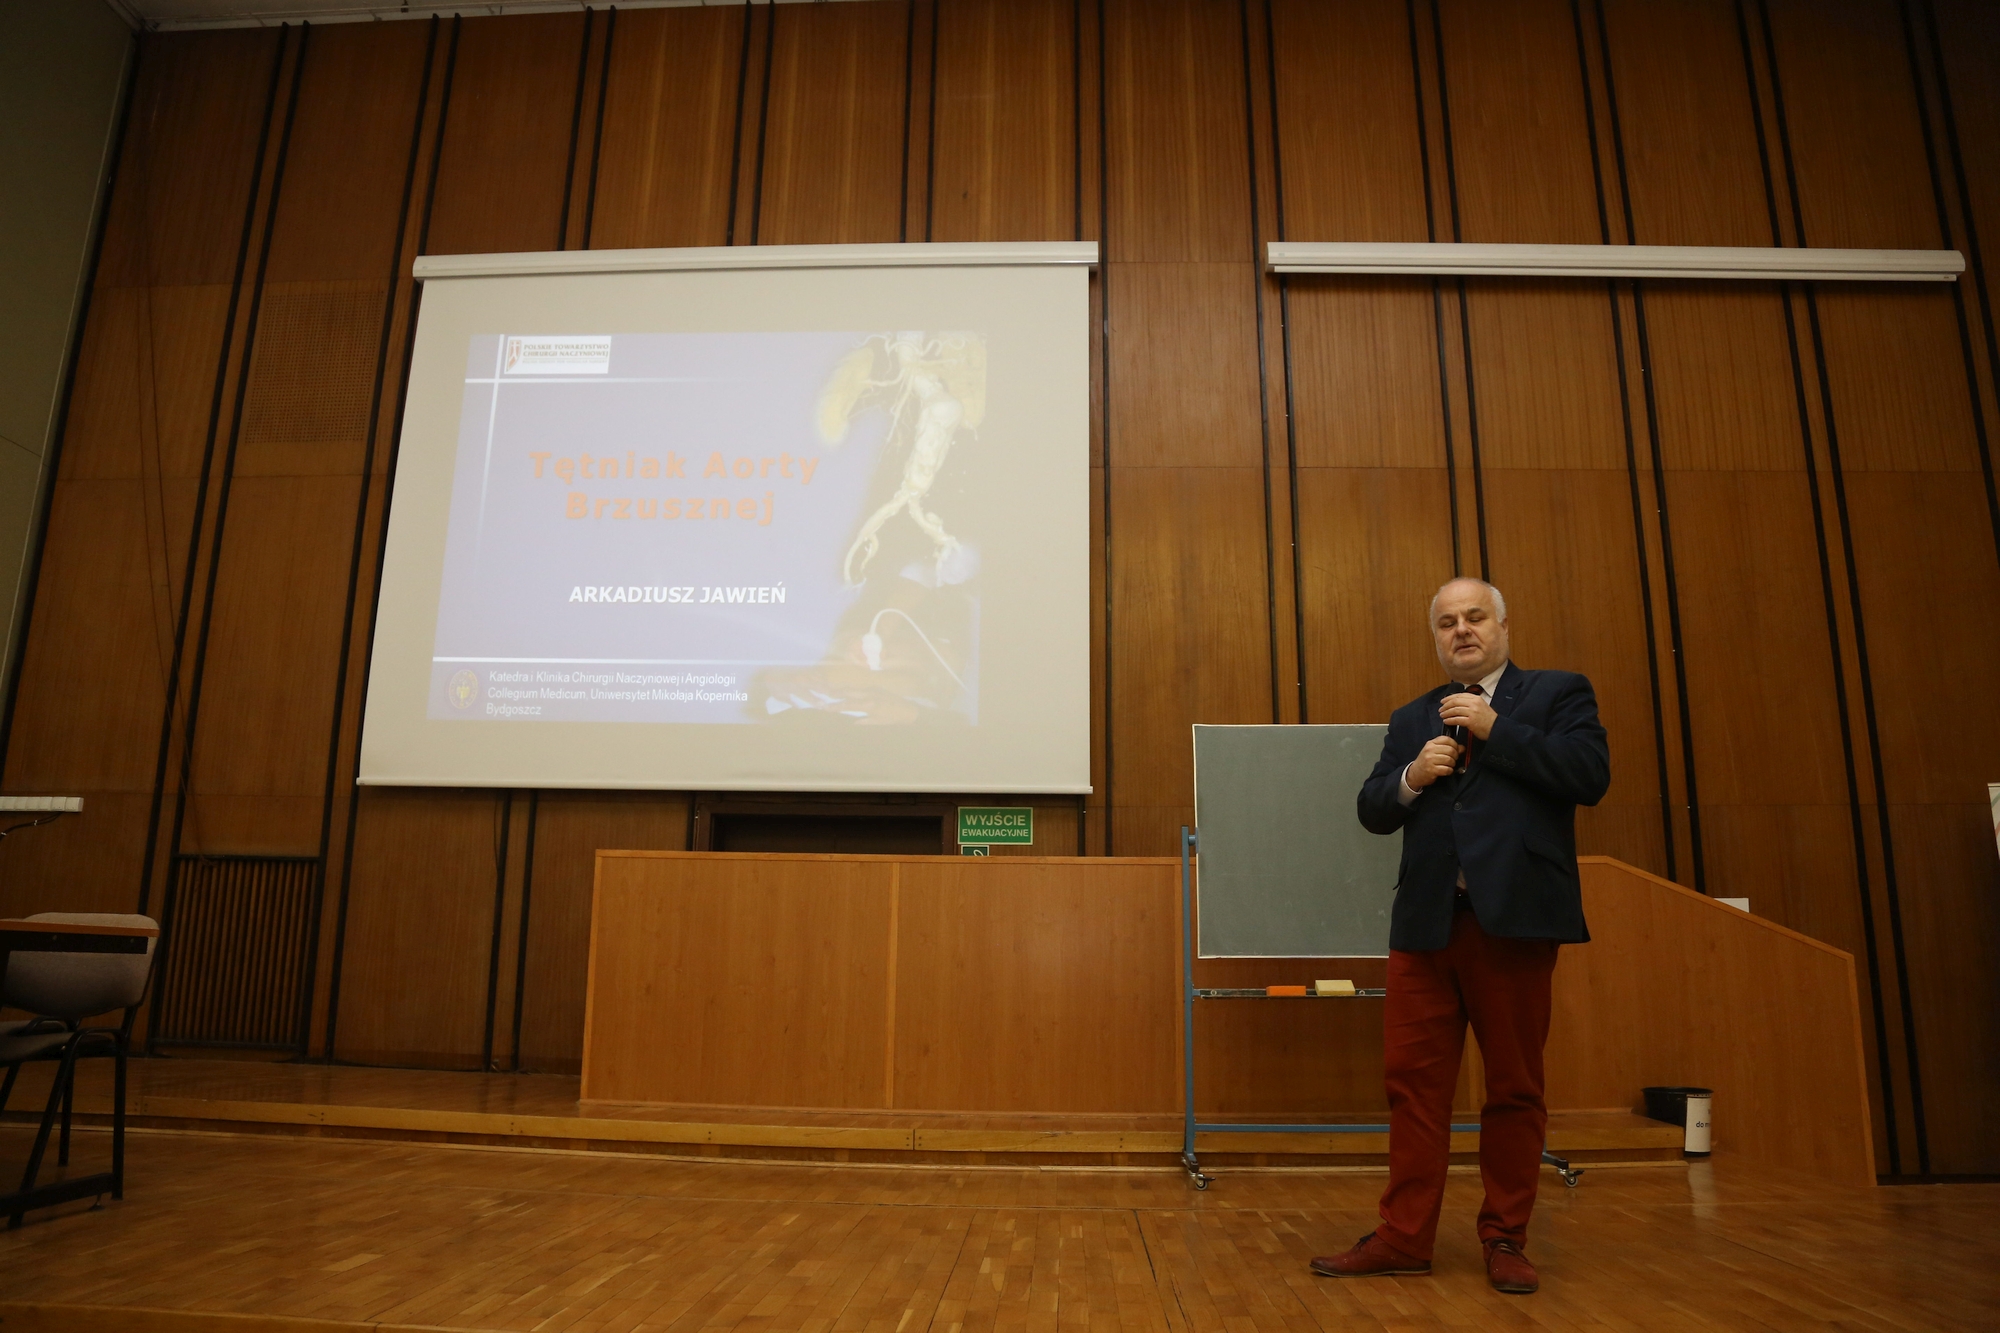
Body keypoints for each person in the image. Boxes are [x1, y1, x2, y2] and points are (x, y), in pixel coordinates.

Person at [1311, 577, 1609, 1296]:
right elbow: (1373, 808)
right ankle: (1403, 1237)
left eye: (1475, 617)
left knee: (1513, 1089)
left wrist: (1495, 728)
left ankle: (1504, 1236)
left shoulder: (1557, 693)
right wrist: (1411, 776)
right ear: (1436, 638)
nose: (1462, 630)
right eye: (1447, 622)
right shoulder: (1412, 715)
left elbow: (1589, 775)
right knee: (1412, 1089)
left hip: (1515, 925)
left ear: (1502, 626)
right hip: (1426, 929)